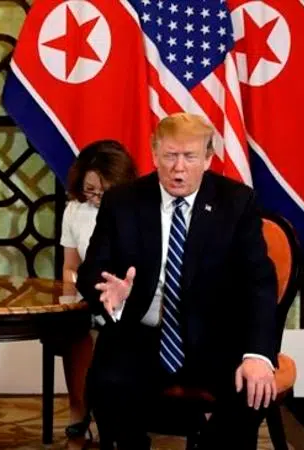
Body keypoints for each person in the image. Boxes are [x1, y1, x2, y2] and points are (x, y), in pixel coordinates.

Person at [78, 113, 278, 449]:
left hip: (215, 340)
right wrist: (113, 292)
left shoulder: (236, 202)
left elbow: (259, 283)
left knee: (250, 388)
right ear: (155, 154)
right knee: (106, 384)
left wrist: (258, 354)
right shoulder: (123, 201)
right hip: (141, 335)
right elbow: (91, 272)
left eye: (189, 157)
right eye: (170, 156)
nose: (178, 168)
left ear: (208, 159)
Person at [57, 140, 137, 439]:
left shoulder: (137, 208)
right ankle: (78, 409)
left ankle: (119, 416)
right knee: (73, 329)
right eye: (90, 190)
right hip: (88, 295)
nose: (96, 197)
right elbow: (70, 266)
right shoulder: (74, 210)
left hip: (128, 297)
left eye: (104, 191)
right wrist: (72, 298)